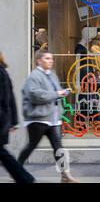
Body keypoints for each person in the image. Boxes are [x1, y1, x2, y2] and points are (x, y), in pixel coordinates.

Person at [18, 50, 79, 183]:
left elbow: (55, 94)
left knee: (58, 147)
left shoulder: (52, 75)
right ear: (39, 61)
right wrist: (57, 93)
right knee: (31, 145)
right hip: (38, 119)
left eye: (51, 59)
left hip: (53, 119)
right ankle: (16, 170)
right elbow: (35, 95)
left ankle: (65, 175)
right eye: (47, 58)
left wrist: (61, 96)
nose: (50, 61)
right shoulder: (34, 76)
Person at [0, 52, 35, 183]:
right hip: (4, 120)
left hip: (1, 121)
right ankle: (25, 178)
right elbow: (11, 99)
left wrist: (12, 122)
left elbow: (6, 100)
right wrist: (13, 121)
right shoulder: (3, 72)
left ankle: (25, 178)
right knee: (3, 154)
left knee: (4, 155)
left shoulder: (1, 73)